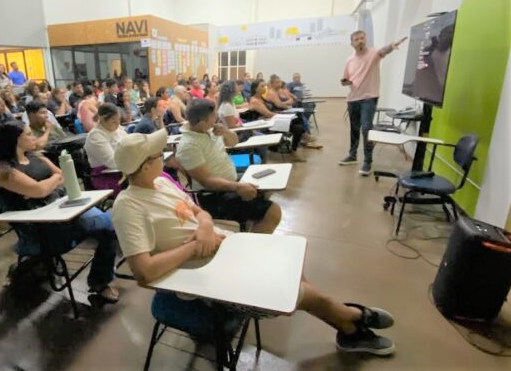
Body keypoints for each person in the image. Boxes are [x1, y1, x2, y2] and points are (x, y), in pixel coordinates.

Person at [111, 129, 396, 357]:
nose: (165, 157)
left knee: (293, 269)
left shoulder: (160, 183)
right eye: (159, 155)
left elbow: (199, 211)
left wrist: (207, 227)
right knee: (301, 292)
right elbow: (144, 273)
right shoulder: (129, 207)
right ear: (146, 165)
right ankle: (354, 318)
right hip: (204, 278)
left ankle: (349, 326)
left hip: (227, 251)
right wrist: (194, 246)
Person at [0, 121, 119, 303]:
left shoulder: (36, 157)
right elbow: (40, 190)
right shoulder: (3, 171)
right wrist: (47, 185)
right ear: (16, 140)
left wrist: (43, 186)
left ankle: (99, 280)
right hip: (40, 225)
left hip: (61, 208)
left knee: (111, 225)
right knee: (110, 227)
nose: (34, 137)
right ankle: (99, 282)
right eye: (29, 134)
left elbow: (63, 174)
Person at [176, 99, 282, 232]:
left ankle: (249, 230)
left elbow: (234, 142)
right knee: (273, 212)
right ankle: (252, 246)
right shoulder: (188, 146)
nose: (217, 117)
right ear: (203, 123)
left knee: (268, 186)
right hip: (215, 196)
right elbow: (207, 181)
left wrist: (226, 132)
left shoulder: (209, 130)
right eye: (213, 116)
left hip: (231, 182)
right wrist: (237, 187)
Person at [340, 31, 408, 175]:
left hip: (369, 98)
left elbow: (384, 51)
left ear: (365, 40)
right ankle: (352, 155)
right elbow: (345, 79)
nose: (360, 41)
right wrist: (345, 82)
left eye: (362, 38)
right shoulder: (349, 60)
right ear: (352, 43)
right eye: (356, 39)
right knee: (354, 129)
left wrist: (392, 45)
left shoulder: (373, 53)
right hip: (352, 98)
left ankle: (367, 161)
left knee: (366, 129)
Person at [247, 79, 305, 159]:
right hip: (264, 126)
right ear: (255, 88)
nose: (264, 88)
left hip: (270, 120)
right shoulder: (255, 101)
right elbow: (268, 114)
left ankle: (291, 148)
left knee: (297, 122)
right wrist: (283, 116)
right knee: (296, 128)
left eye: (265, 86)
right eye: (262, 86)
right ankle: (286, 149)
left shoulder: (261, 98)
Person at [84, 103, 127, 172]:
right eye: (114, 121)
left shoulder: (118, 129)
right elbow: (112, 162)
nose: (118, 123)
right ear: (103, 120)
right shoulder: (95, 136)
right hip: (107, 175)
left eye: (119, 119)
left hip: (124, 167)